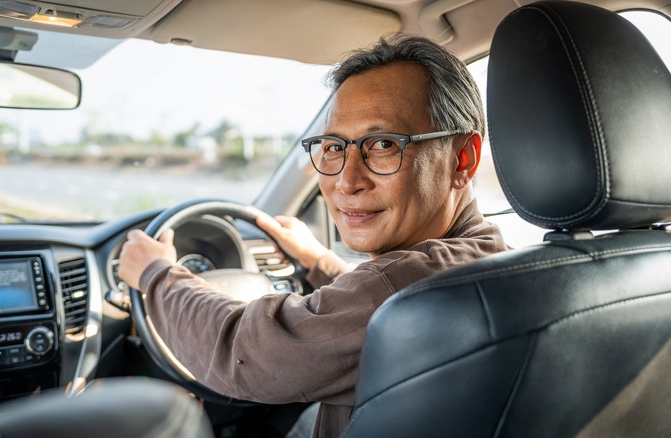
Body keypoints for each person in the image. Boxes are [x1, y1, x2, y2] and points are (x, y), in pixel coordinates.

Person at [119, 34, 509, 437]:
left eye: (383, 145)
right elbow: (370, 308)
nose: (346, 181)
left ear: (463, 159)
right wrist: (318, 261)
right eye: (334, 147)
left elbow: (244, 353)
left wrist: (156, 275)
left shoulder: (407, 290)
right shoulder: (502, 260)